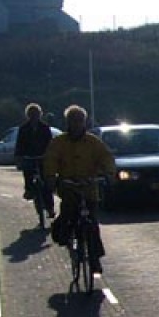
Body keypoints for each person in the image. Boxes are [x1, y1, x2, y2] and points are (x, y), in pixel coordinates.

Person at [42, 105, 116, 274]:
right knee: (68, 212)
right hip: (68, 187)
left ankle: (95, 258)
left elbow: (106, 157)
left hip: (89, 187)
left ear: (84, 122)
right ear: (67, 122)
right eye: (73, 121)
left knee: (92, 222)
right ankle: (64, 234)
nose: (76, 124)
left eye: (79, 121)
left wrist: (109, 174)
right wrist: (51, 177)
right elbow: (50, 160)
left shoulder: (93, 142)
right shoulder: (59, 142)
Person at [14, 102, 55, 214]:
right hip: (29, 157)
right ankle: (29, 190)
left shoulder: (45, 128)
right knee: (27, 173)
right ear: (28, 115)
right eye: (31, 114)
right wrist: (19, 158)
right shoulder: (23, 129)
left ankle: (50, 208)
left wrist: (50, 155)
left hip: (43, 157)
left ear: (40, 114)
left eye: (36, 113)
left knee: (46, 184)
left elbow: (50, 143)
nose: (34, 116)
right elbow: (19, 144)